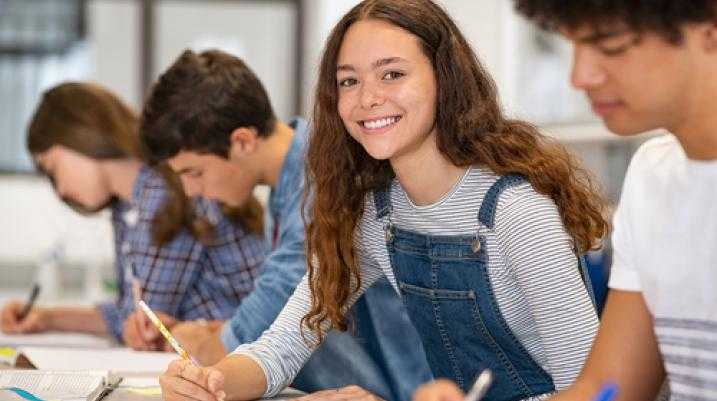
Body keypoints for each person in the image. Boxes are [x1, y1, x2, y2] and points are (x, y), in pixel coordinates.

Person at [157, 1, 609, 401]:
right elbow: (281, 346)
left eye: (392, 74)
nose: (367, 99)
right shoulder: (376, 216)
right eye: (348, 82)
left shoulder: (516, 213)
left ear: (444, 79)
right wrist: (210, 383)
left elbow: (596, 390)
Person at [416, 1, 717, 401]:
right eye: (573, 44)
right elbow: (609, 390)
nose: (580, 76)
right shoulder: (653, 177)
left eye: (610, 45)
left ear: (710, 30)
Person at [138, 49, 432, 401]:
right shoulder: (285, 185)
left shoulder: (322, 180)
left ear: (243, 141)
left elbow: (265, 315)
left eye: (193, 172)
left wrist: (205, 346)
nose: (190, 191)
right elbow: (281, 329)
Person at [0, 82, 266, 346]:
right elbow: (131, 313)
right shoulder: (130, 205)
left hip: (251, 354)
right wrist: (45, 318)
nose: (59, 191)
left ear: (81, 136)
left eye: (53, 168)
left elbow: (143, 324)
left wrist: (52, 318)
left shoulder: (165, 193)